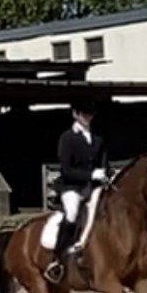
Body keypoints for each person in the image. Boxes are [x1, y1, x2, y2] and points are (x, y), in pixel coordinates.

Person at [45, 101, 109, 283]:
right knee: (72, 214)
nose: (88, 117)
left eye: (90, 114)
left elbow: (104, 164)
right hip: (71, 187)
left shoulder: (98, 139)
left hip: (93, 187)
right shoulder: (67, 138)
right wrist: (91, 174)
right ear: (75, 114)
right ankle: (56, 259)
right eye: (84, 114)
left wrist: (106, 174)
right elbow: (66, 170)